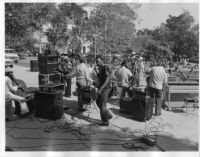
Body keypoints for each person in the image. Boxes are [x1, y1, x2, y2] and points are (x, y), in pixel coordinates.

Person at [95, 56, 112, 126]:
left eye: (99, 61)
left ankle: (105, 121)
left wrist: (101, 88)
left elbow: (107, 78)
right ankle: (108, 114)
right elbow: (101, 77)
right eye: (97, 62)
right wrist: (97, 73)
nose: (97, 63)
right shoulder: (100, 68)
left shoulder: (105, 67)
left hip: (105, 88)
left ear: (102, 60)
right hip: (102, 87)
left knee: (102, 105)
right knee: (98, 101)